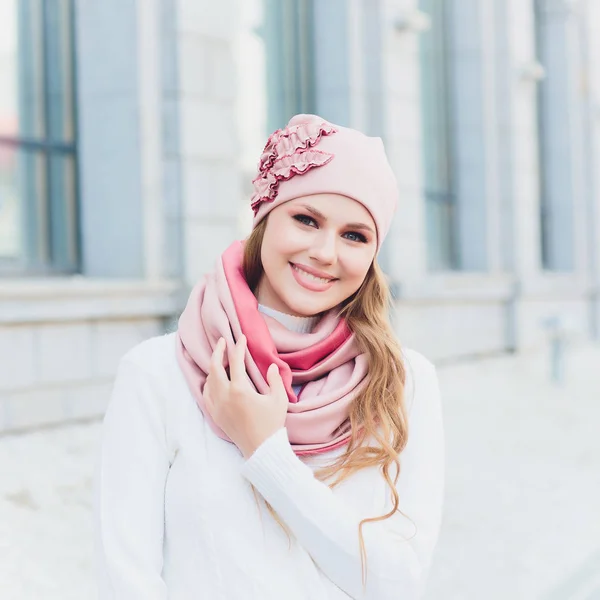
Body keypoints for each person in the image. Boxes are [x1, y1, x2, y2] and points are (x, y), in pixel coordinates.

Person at [93, 114, 445, 599]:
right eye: (306, 219)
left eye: (355, 235)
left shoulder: (404, 382)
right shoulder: (157, 374)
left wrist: (265, 451)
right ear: (264, 219)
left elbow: (397, 582)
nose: (325, 252)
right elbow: (127, 578)